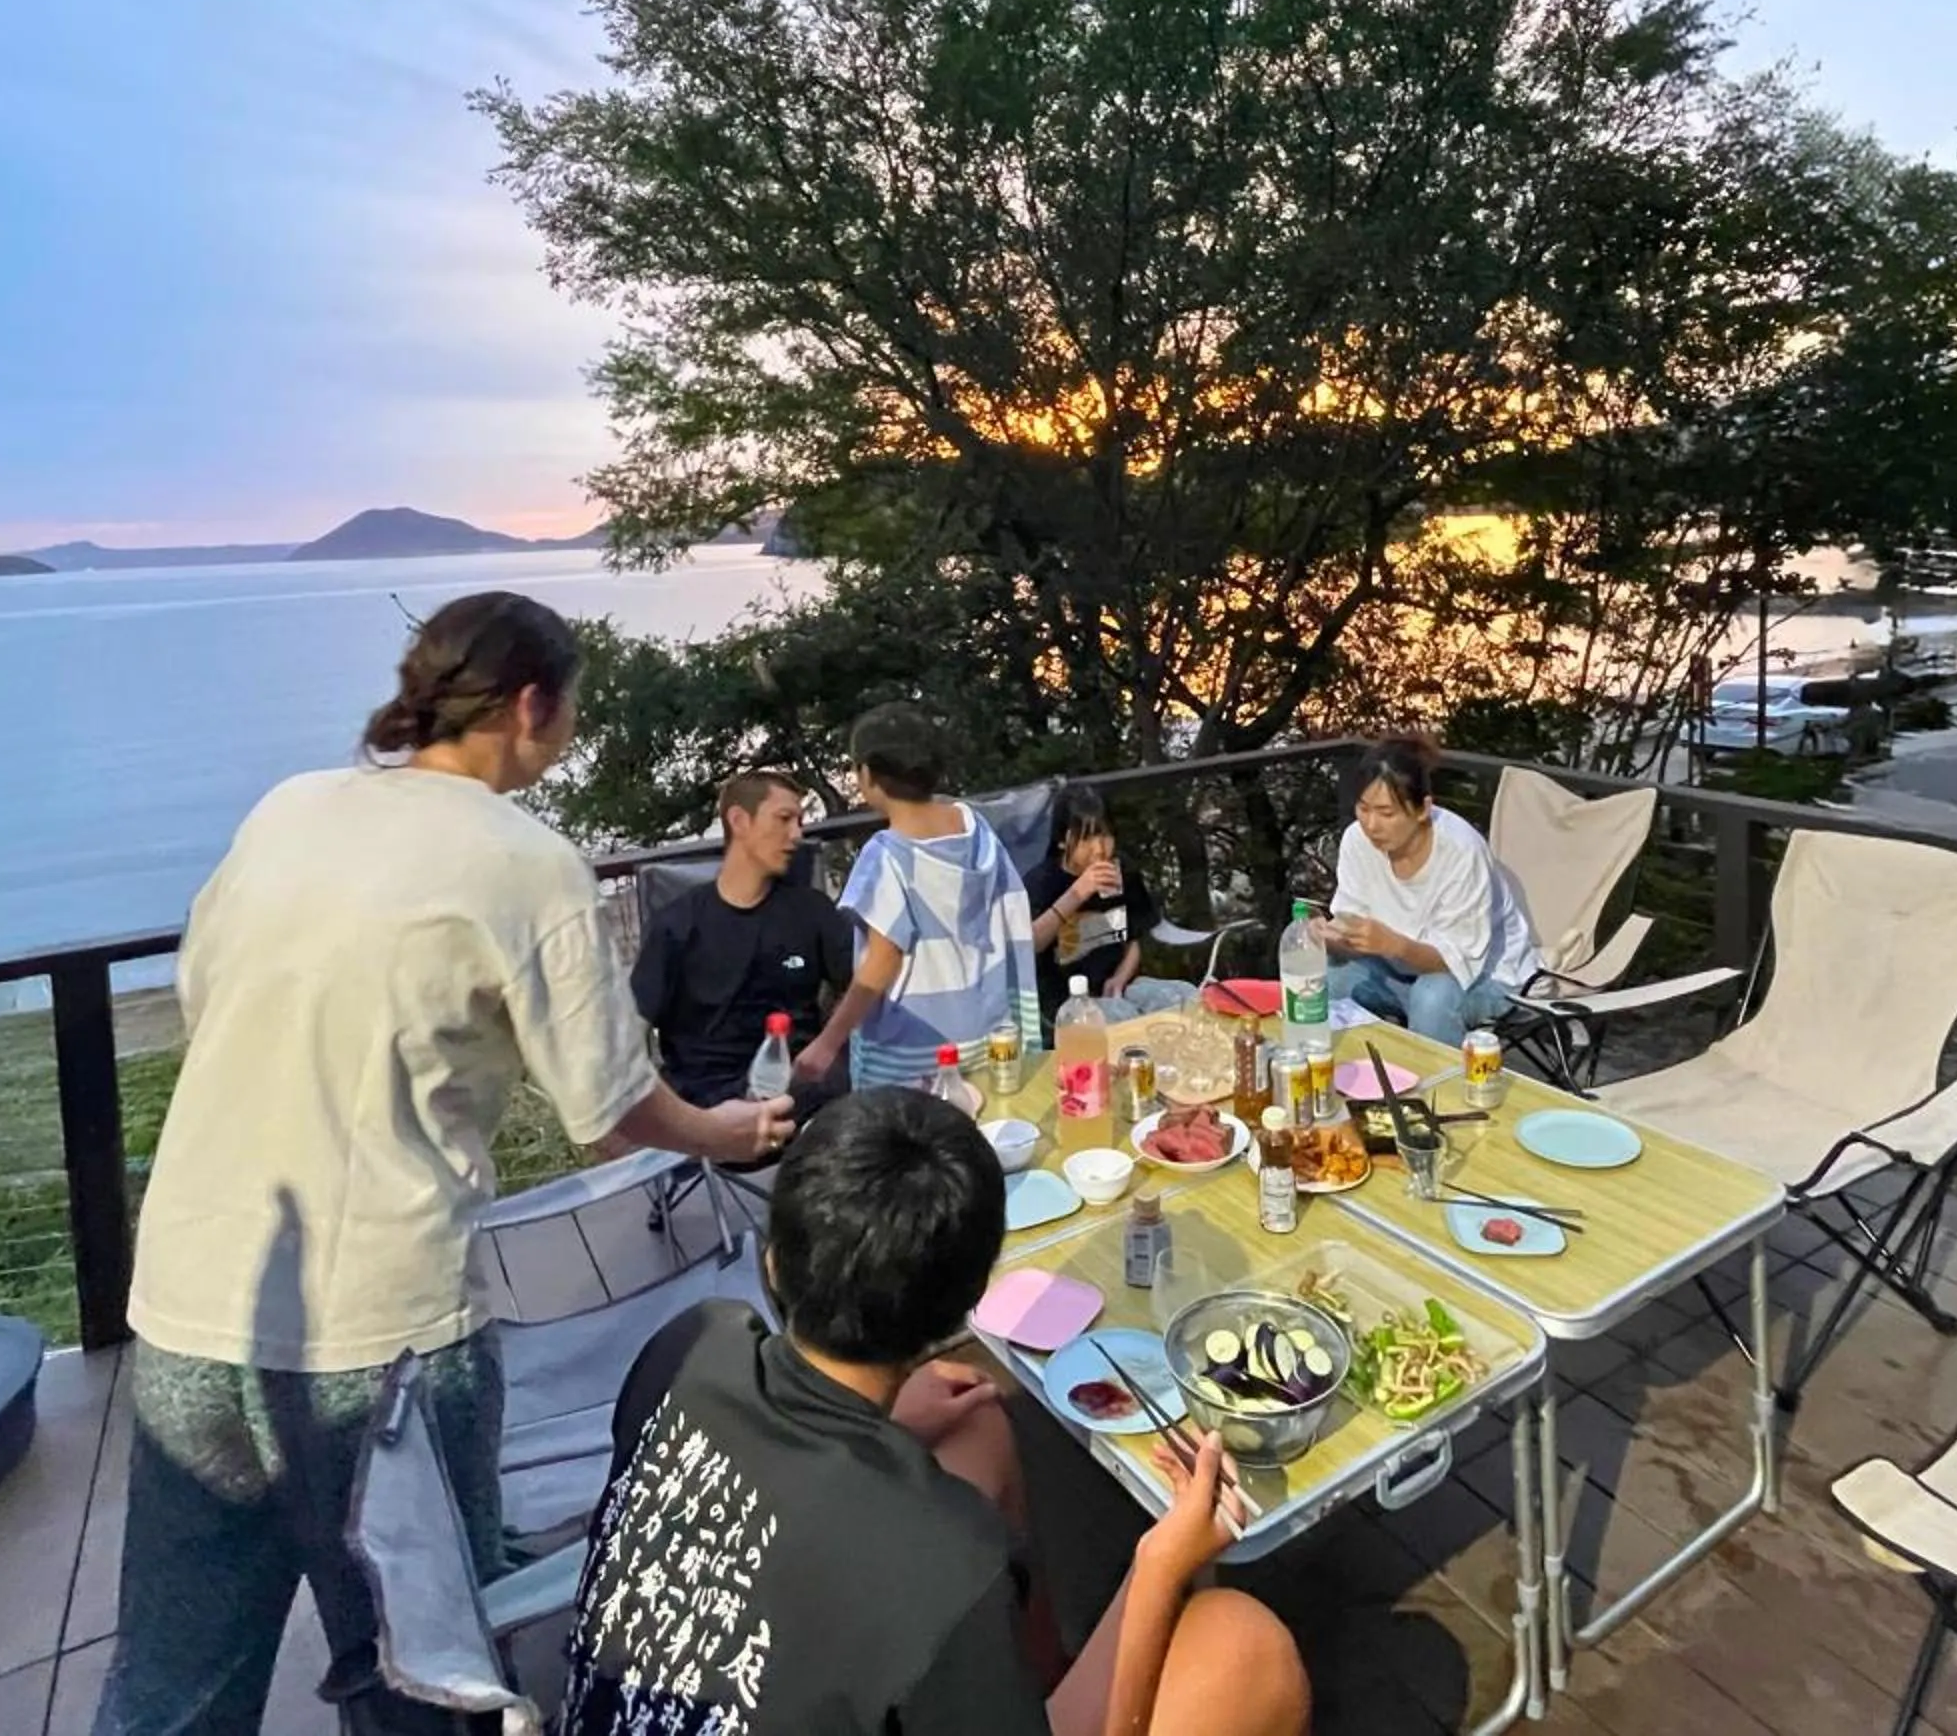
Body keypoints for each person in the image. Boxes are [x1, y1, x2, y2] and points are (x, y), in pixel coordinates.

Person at [103, 592, 795, 1736]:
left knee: (171, 1685)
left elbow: (202, 994)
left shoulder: (291, 807)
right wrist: (727, 1131)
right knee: (426, 1670)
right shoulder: (527, 862)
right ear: (531, 704)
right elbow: (611, 1108)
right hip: (376, 1342)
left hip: (185, 1303)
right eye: (567, 709)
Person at [557, 1088, 1312, 1736]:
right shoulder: (942, 1561)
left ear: (774, 1261)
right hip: (918, 1591)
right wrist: (1162, 1561)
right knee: (1242, 1644)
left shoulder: (688, 1348)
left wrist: (878, 1419)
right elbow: (907, 1562)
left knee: (976, 1432)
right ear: (962, 1306)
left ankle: (1019, 1688)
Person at [796, 702, 1034, 1092]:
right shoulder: (975, 828)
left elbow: (881, 962)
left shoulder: (886, 855)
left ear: (867, 773)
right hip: (986, 1032)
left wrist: (827, 1042)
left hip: (914, 1055)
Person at [630, 768, 856, 1109]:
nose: (797, 835)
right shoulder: (678, 923)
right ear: (739, 821)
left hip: (799, 1091)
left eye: (800, 821)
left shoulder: (810, 911)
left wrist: (828, 1043)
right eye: (784, 819)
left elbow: (863, 985)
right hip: (704, 1105)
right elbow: (634, 1026)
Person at [1321, 733, 1538, 1046]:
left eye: (1386, 813)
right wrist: (1331, 939)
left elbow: (1453, 963)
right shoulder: (1358, 840)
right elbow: (1352, 926)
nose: (1371, 825)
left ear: (1422, 809)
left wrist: (1392, 944)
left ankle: (1436, 1091)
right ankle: (1343, 1078)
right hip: (1402, 969)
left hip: (1488, 978)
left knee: (1432, 996)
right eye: (1363, 808)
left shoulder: (1461, 852)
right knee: (1330, 976)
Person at [1023, 782, 1164, 1040]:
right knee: (1128, 1024)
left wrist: (1121, 977)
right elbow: (1030, 943)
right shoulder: (1042, 882)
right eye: (1086, 838)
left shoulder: (1123, 871)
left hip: (1121, 987)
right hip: (1068, 1004)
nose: (1099, 849)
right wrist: (1078, 892)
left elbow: (1133, 938)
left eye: (1106, 835)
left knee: (1181, 998)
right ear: (1062, 840)